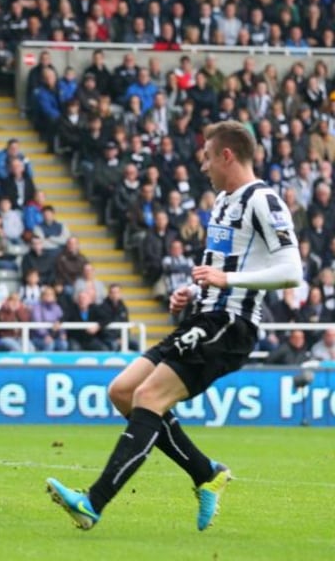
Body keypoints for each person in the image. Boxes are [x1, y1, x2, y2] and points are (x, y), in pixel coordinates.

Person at [47, 121, 302, 531]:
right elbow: (220, 267)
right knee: (123, 393)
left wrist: (227, 282)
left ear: (227, 155)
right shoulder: (222, 202)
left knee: (148, 396)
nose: (202, 166)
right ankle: (206, 473)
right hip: (206, 315)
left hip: (231, 324)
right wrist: (192, 289)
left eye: (206, 157)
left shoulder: (263, 199)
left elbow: (291, 270)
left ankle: (92, 503)